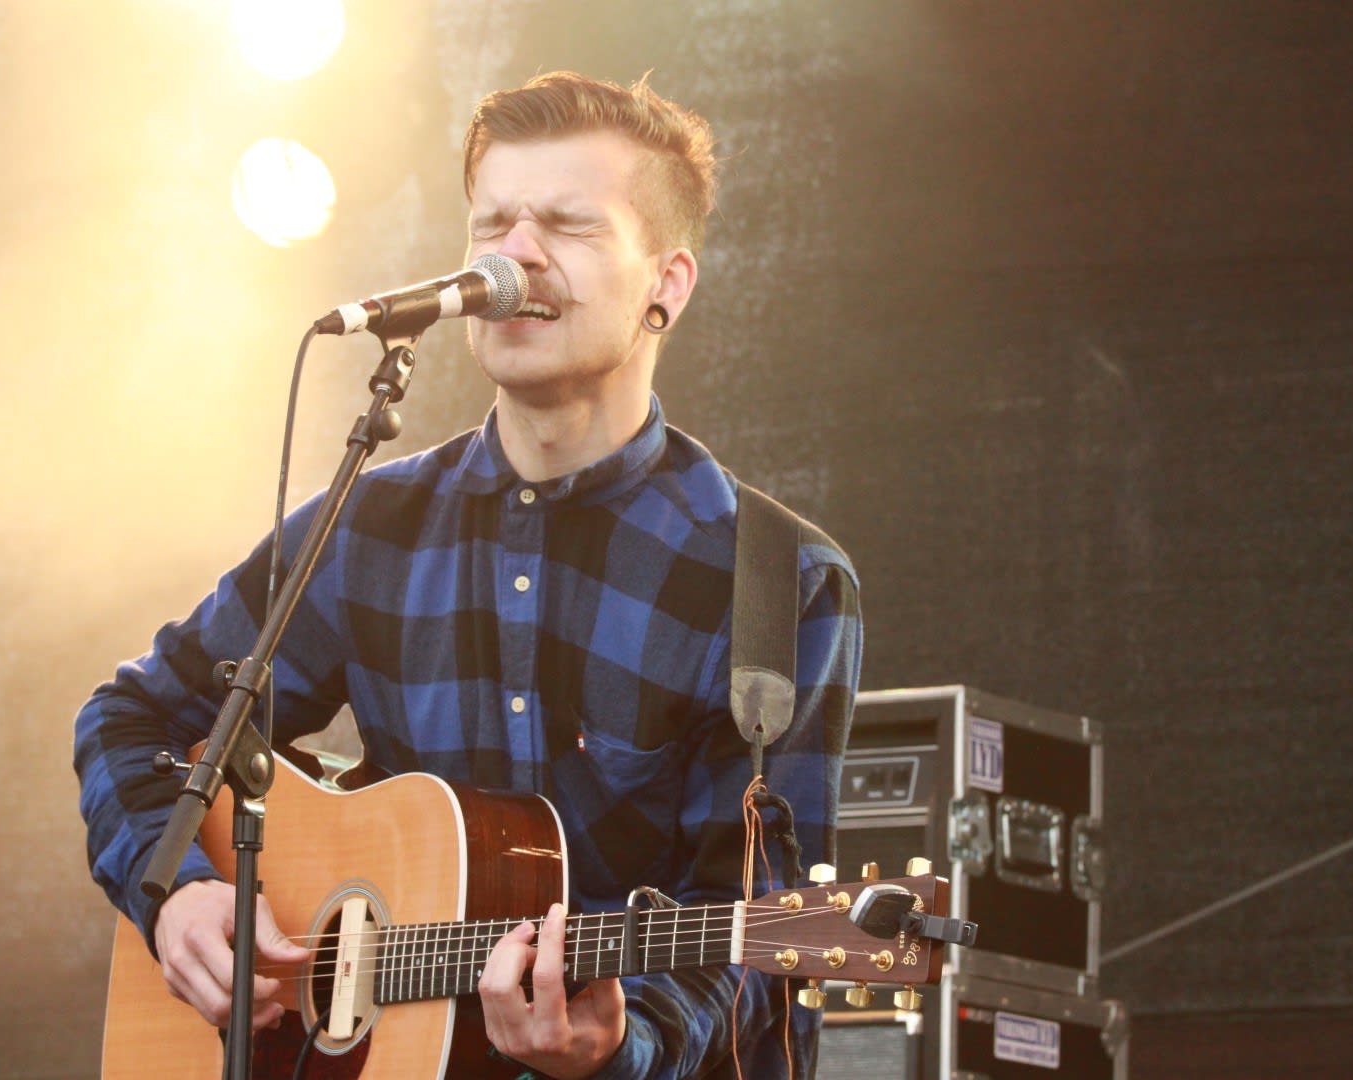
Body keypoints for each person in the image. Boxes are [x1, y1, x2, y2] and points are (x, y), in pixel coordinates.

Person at [73, 70, 862, 1079]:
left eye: (567, 226)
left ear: (666, 283)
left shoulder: (774, 581)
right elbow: (135, 717)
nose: (512, 255)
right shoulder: (370, 525)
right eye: (493, 222)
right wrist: (179, 891)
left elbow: (758, 930)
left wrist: (620, 1044)